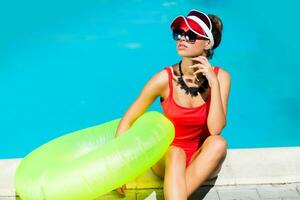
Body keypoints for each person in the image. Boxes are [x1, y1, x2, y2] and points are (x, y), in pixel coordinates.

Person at [115, 9, 230, 200]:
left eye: (191, 35)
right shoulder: (164, 79)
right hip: (167, 159)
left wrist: (214, 83)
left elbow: (216, 128)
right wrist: (121, 169)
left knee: (218, 143)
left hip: (200, 160)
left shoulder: (221, 78)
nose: (182, 38)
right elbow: (127, 121)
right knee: (176, 153)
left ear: (207, 43)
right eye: (179, 33)